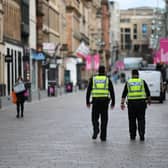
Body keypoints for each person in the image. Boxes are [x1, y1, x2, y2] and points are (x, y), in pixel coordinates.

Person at [86, 65, 115, 141]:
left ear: (98, 71)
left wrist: (87, 102)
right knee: (104, 119)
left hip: (95, 102)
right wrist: (113, 102)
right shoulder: (107, 80)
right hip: (105, 102)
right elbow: (112, 92)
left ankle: (96, 129)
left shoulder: (93, 79)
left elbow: (88, 91)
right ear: (104, 71)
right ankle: (103, 136)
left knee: (94, 118)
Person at [120, 69, 151, 141]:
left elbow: (124, 94)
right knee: (141, 119)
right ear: (138, 74)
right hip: (141, 103)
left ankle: (133, 135)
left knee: (132, 120)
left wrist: (122, 103)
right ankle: (142, 134)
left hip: (131, 104)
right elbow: (148, 92)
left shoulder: (128, 82)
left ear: (132, 74)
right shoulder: (142, 82)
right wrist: (149, 100)